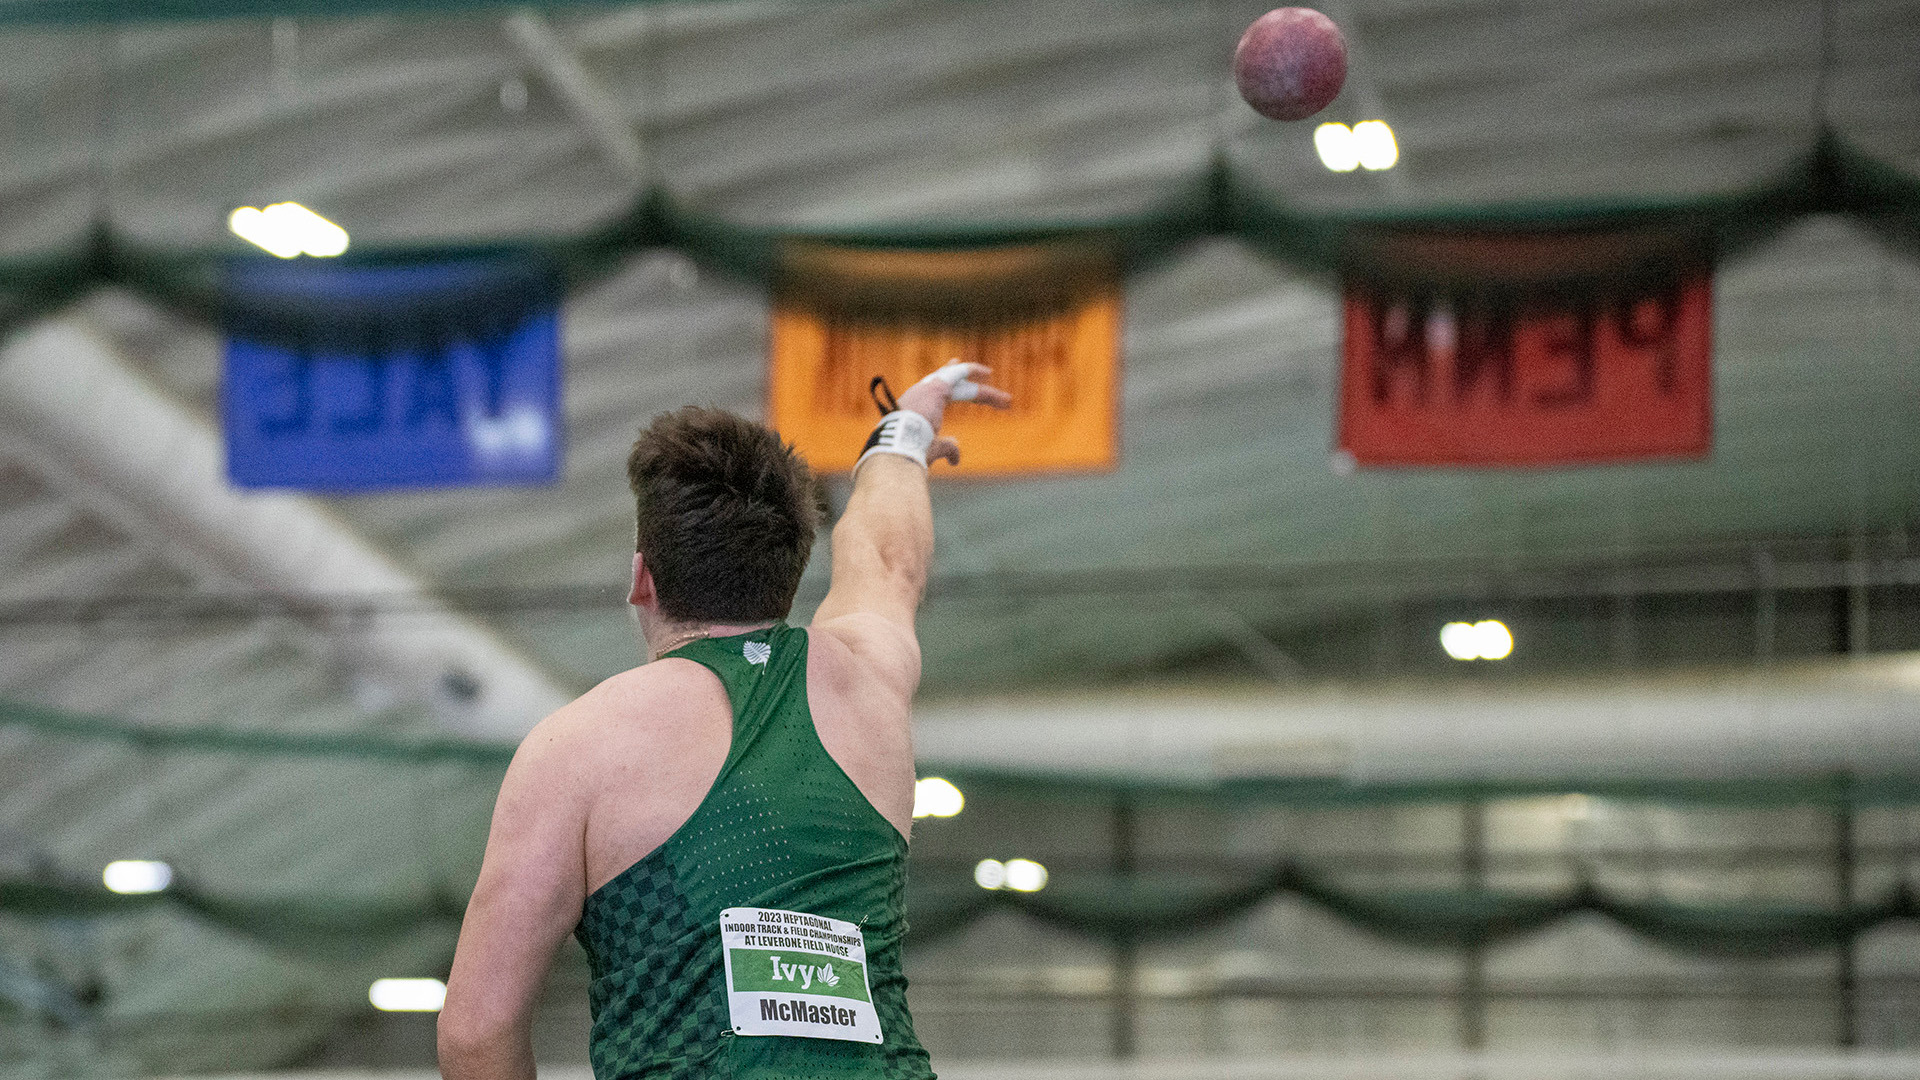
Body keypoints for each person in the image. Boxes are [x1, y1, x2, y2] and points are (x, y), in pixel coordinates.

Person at [438, 362, 1011, 1080]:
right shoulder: (869, 682)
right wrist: (902, 436)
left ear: (643, 578)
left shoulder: (577, 748)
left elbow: (475, 1034)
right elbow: (889, 564)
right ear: (792, 565)